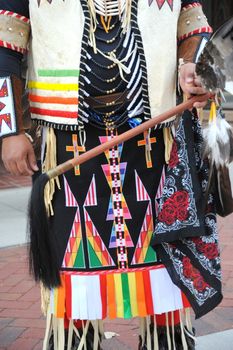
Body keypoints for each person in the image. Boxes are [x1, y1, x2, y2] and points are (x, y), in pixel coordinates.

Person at [0, 1, 222, 349]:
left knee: (163, 278)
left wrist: (193, 66)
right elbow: (4, 46)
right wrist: (9, 130)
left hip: (152, 151)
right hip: (69, 154)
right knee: (73, 285)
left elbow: (194, 28)